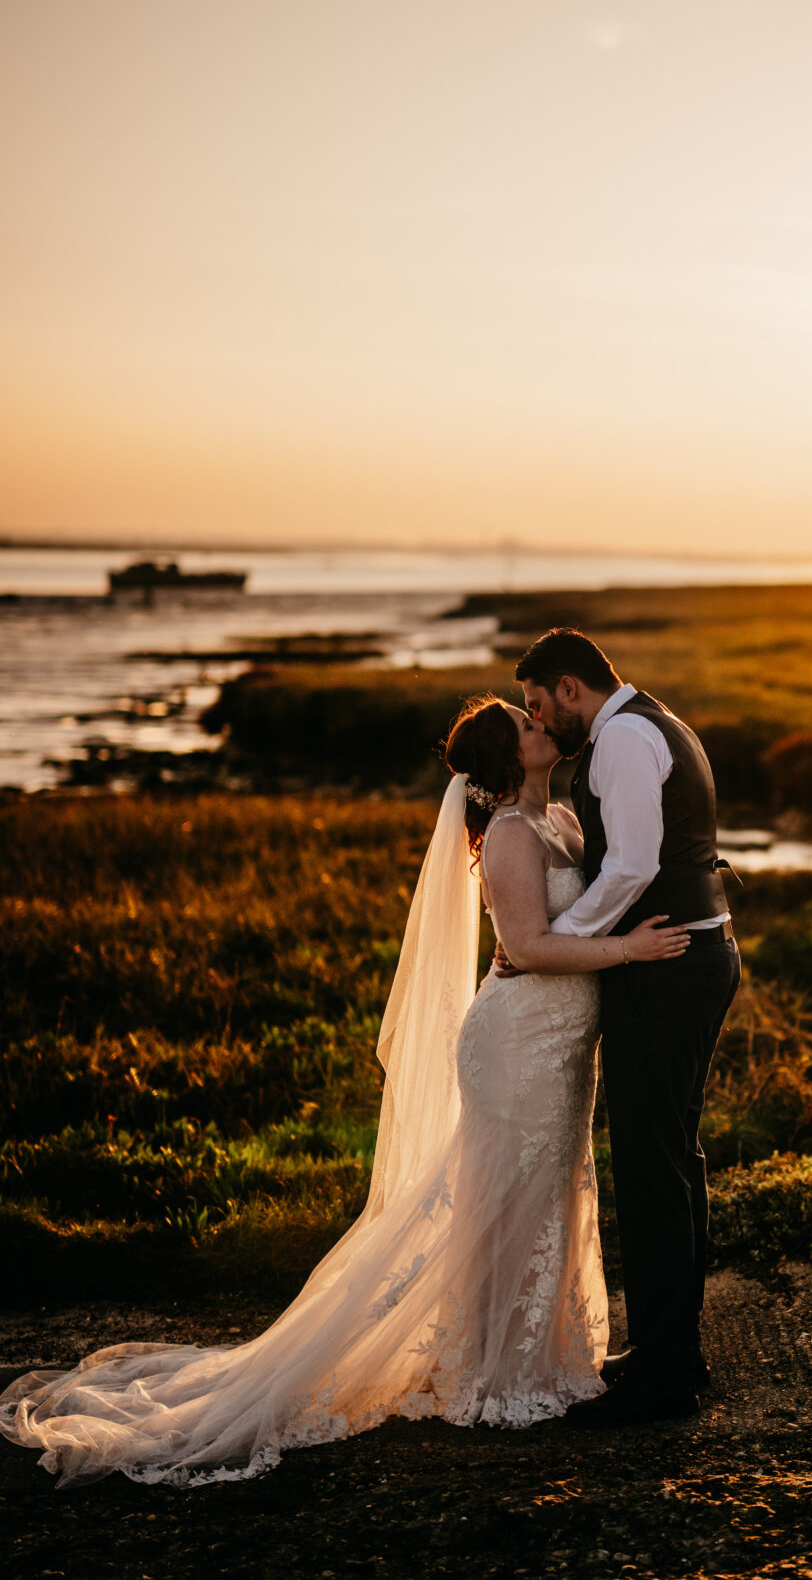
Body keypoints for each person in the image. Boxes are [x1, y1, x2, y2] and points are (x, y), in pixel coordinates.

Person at [0, 696, 688, 1487]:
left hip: (564, 1045)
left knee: (550, 1190)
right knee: (508, 1194)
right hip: (518, 1042)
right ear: (507, 759)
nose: (543, 727)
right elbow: (525, 949)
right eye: (528, 726)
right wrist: (630, 952)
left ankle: (539, 1356)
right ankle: (492, 1372)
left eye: (538, 719)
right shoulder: (505, 834)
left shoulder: (563, 816)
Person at [514, 628, 741, 1427]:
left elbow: (633, 866)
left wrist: (558, 941)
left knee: (653, 1167)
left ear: (571, 689)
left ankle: (663, 1376)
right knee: (669, 1160)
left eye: (542, 706)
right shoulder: (653, 722)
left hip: (669, 968)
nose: (541, 722)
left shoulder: (624, 738)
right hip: (684, 958)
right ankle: (669, 1352)